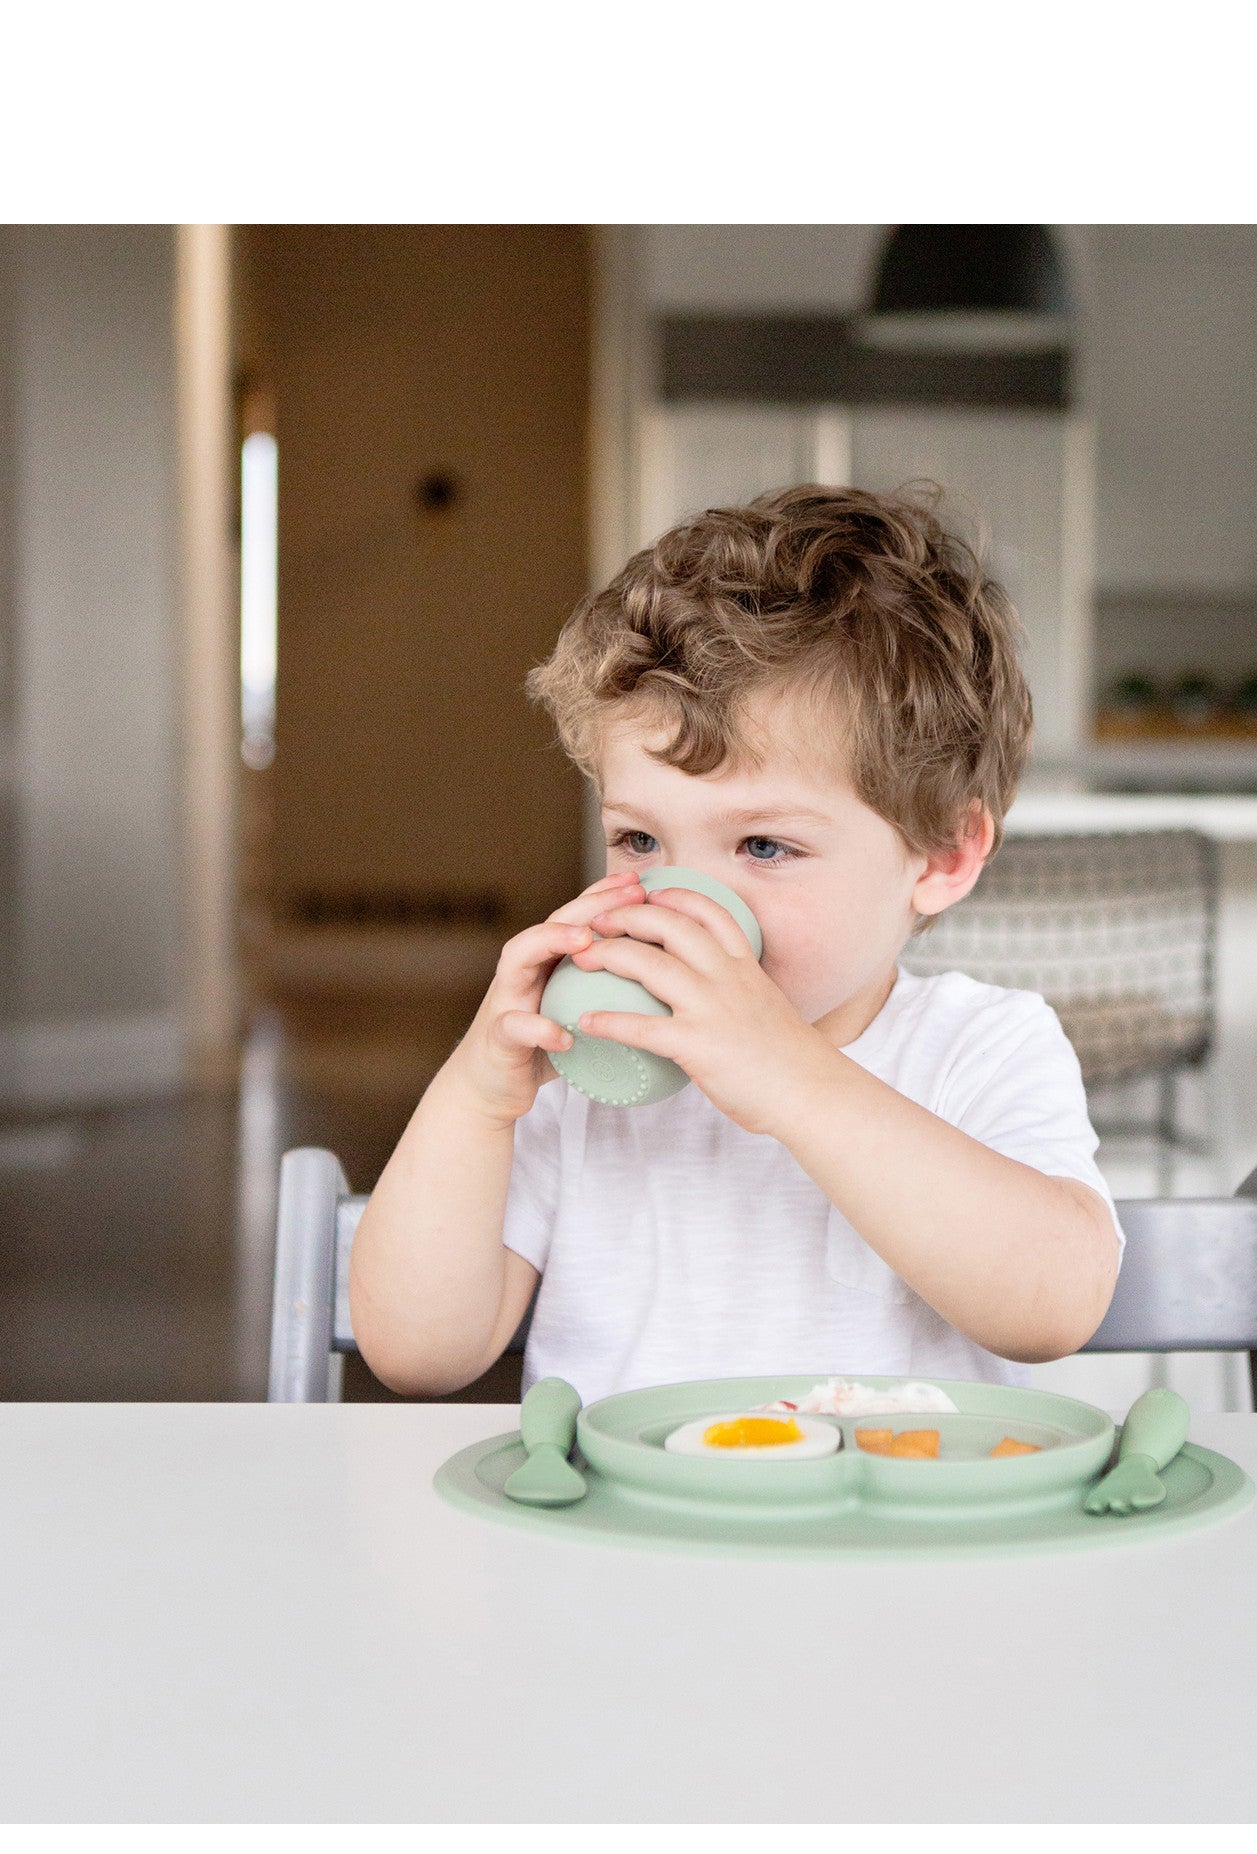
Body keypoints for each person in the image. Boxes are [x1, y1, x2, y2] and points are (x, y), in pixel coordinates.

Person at [350, 485, 1121, 1400]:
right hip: (629, 1537)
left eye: (763, 846)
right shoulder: (588, 1078)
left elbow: (1053, 1307)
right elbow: (415, 1352)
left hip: (893, 1536)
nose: (688, 901)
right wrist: (479, 1097)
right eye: (641, 841)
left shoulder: (979, 1046)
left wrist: (789, 1077)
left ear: (943, 857)